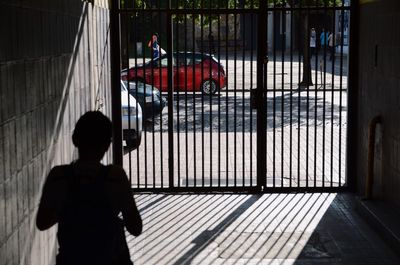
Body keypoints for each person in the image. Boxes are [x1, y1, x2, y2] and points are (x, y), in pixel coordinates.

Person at [36, 111, 142, 265]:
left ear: (74, 140)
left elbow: (42, 222)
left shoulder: (58, 177)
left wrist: (70, 210)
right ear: (107, 145)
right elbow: (136, 228)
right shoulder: (115, 177)